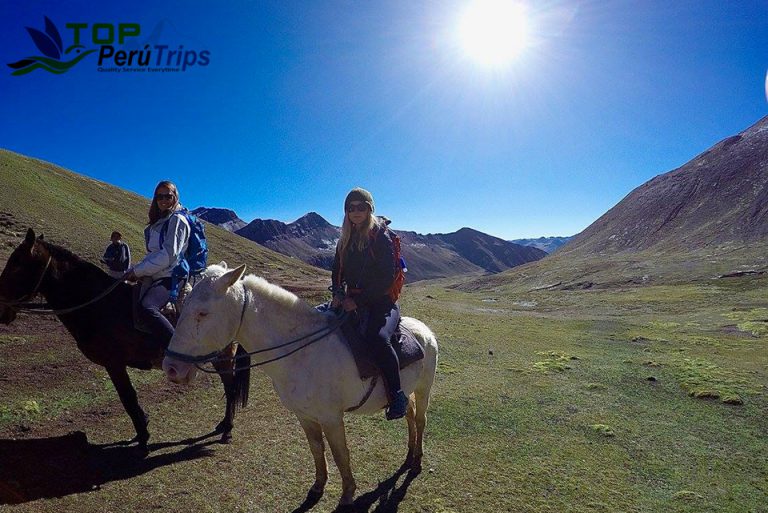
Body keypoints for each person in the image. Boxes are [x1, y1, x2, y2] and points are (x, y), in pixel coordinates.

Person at [331, 187, 409, 420]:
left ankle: (397, 396)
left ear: (369, 209)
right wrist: (337, 292)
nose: (356, 212)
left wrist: (358, 301)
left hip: (381, 303)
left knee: (378, 339)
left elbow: (386, 277)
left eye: (361, 207)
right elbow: (337, 270)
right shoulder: (345, 238)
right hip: (350, 301)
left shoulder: (380, 237)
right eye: (351, 208)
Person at [123, 181, 190, 349]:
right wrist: (135, 270)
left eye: (168, 196)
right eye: (159, 196)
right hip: (157, 273)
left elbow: (168, 255)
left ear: (175, 197)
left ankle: (178, 349)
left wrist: (138, 271)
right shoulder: (158, 222)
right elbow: (153, 254)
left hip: (172, 275)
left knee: (147, 307)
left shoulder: (177, 219)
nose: (163, 200)